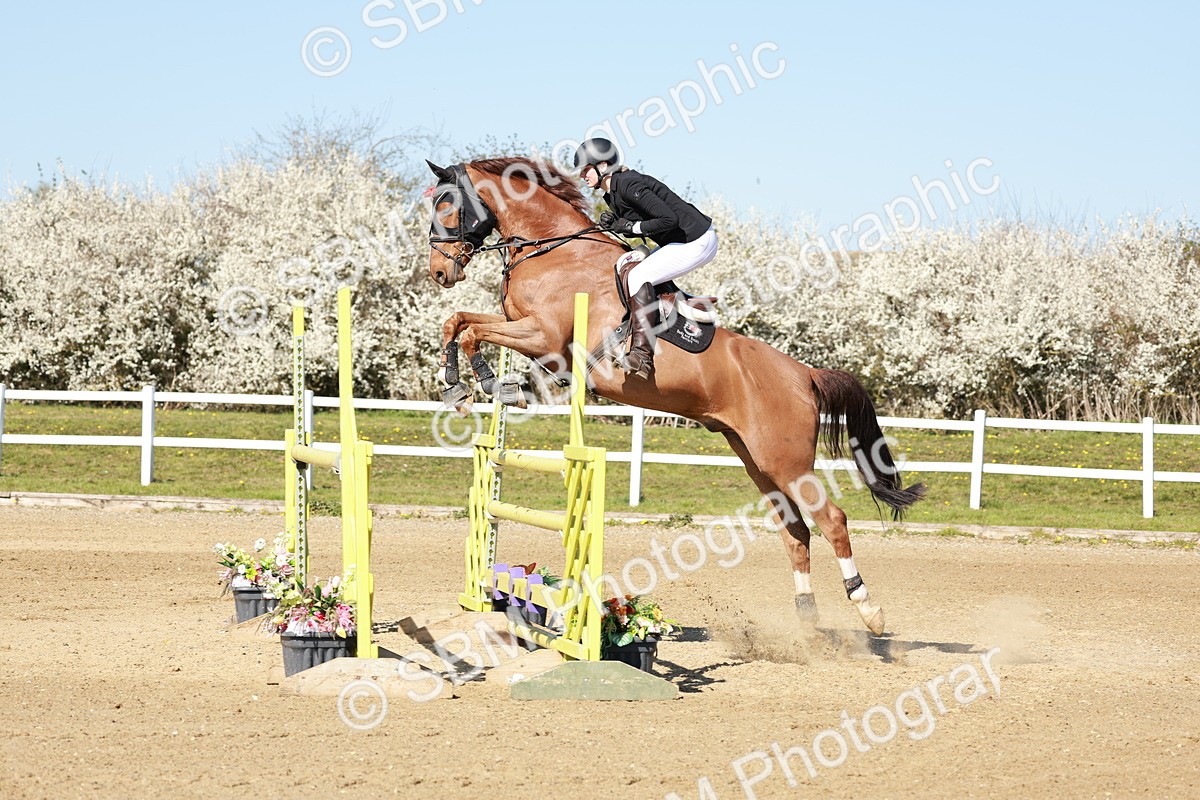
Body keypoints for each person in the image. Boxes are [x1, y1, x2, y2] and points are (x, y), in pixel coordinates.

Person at [573, 137, 718, 380]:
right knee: (631, 264)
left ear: (603, 166)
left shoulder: (628, 183)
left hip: (697, 240)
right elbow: (637, 223)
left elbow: (667, 220)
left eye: (586, 169)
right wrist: (618, 224)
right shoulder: (612, 193)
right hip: (683, 241)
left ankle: (642, 355)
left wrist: (629, 226)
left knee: (639, 275)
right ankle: (682, 303)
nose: (582, 176)